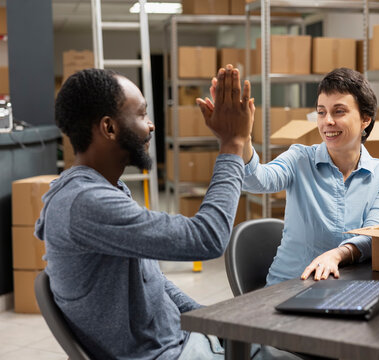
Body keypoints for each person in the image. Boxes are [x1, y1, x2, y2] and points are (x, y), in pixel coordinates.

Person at [35, 66, 253, 359]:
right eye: (141, 115)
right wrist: (232, 145)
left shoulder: (107, 188)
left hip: (182, 340)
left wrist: (211, 322)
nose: (150, 125)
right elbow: (207, 238)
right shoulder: (85, 202)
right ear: (109, 128)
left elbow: (153, 280)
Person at [199, 67, 379, 286]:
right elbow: (257, 179)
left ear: (365, 119)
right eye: (321, 112)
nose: (327, 121)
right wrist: (241, 138)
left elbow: (375, 235)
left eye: (339, 111)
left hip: (347, 285)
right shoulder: (300, 158)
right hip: (290, 286)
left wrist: (338, 254)